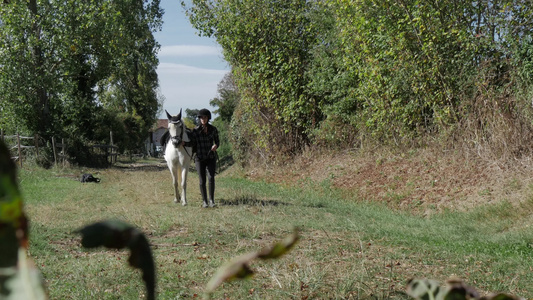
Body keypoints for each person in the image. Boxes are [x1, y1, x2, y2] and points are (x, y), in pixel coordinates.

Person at [190, 108, 220, 208]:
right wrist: (184, 143)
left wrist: (216, 146)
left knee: (211, 177)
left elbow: (217, 141)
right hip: (199, 158)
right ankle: (204, 201)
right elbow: (192, 143)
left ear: (208, 118)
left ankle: (211, 200)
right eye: (201, 117)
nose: (203, 119)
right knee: (202, 180)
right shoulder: (195, 131)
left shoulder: (213, 129)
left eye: (205, 117)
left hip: (210, 157)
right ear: (199, 119)